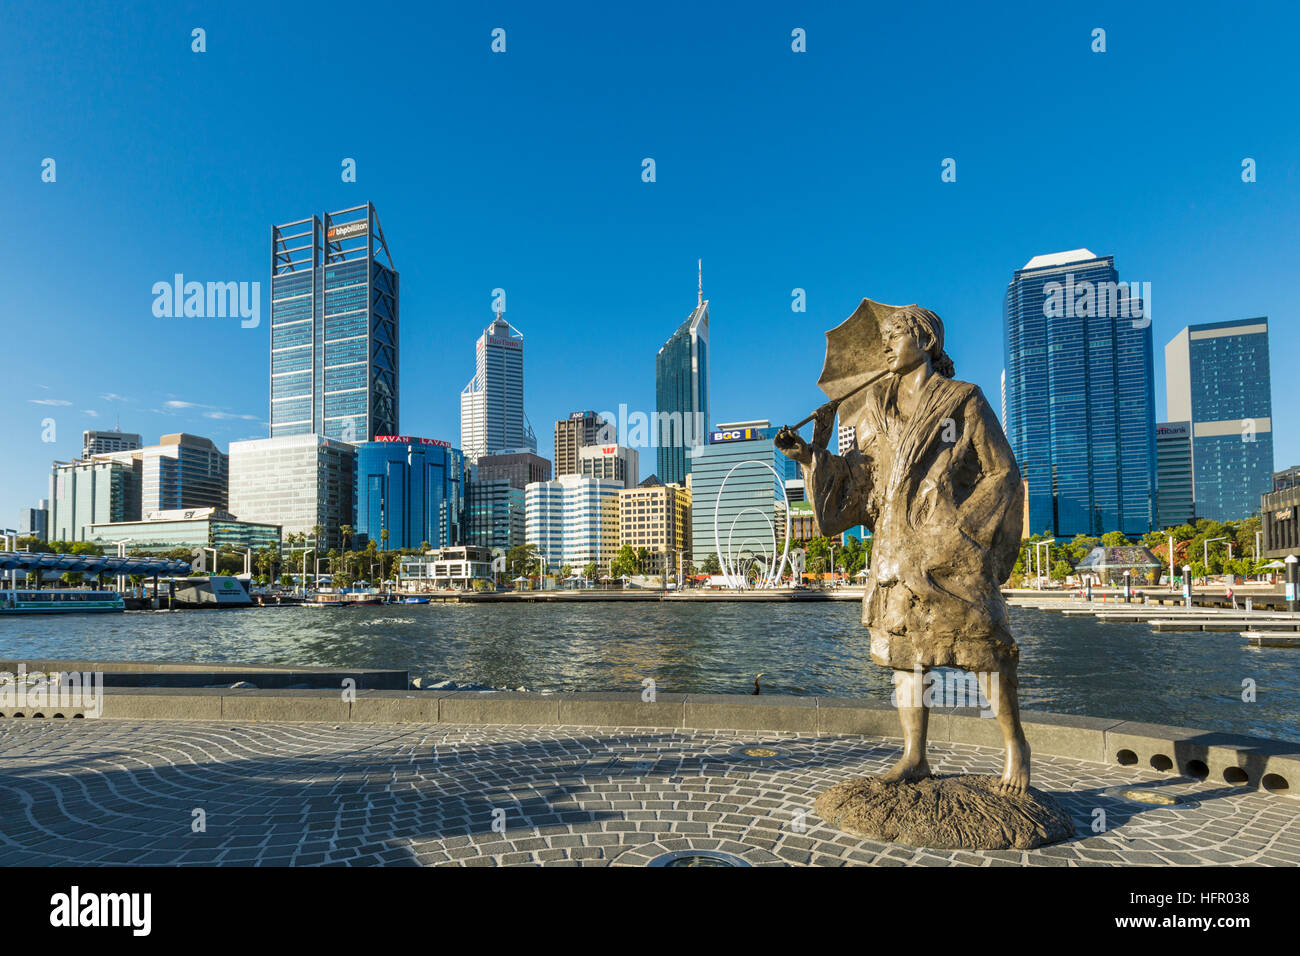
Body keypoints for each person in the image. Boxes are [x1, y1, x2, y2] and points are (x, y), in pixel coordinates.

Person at [776, 305, 1030, 793]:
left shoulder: (963, 400)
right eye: (884, 340)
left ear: (928, 340)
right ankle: (915, 755)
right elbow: (862, 477)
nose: (887, 346)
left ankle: (1015, 748)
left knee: (984, 650)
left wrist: (959, 528)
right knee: (906, 656)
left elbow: (1002, 472)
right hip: (895, 548)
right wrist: (812, 453)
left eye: (896, 336)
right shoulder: (875, 408)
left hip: (950, 547)